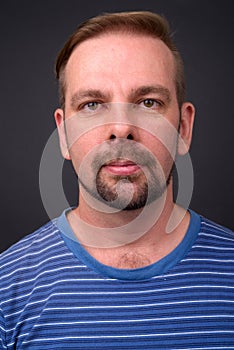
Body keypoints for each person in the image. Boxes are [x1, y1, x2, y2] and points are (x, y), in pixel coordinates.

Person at [0, 11, 233, 350]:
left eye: (148, 102)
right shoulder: (7, 291)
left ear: (183, 128)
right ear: (63, 134)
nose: (121, 127)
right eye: (92, 104)